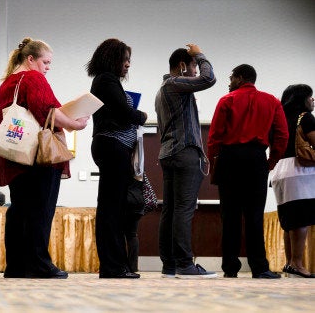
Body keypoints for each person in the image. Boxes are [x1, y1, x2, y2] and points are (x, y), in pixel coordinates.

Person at [0, 37, 88, 279]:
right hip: (39, 157)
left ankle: (16, 265)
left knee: (19, 210)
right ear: (30, 59)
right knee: (40, 210)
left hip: (15, 155)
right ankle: (39, 264)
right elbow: (49, 111)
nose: (48, 67)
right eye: (45, 62)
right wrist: (75, 125)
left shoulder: (6, 84)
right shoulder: (34, 78)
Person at [208, 65, 287, 279]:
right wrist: (270, 163)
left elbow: (214, 137)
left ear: (241, 77)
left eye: (232, 77)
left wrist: (215, 165)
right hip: (256, 159)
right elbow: (282, 136)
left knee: (230, 216)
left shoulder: (227, 100)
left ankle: (230, 268)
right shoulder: (272, 101)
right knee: (254, 215)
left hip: (230, 158)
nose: (229, 81)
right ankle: (259, 267)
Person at [155, 44, 217, 279]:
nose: (195, 72)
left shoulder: (162, 90)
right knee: (183, 208)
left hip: (169, 153)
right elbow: (209, 78)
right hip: (183, 152)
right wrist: (200, 54)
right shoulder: (174, 84)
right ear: (182, 66)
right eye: (192, 67)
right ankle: (184, 264)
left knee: (170, 210)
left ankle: (169, 265)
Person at [86, 38, 147, 278]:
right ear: (112, 59)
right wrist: (140, 115)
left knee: (113, 207)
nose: (128, 64)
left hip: (110, 146)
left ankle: (114, 265)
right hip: (112, 146)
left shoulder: (104, 81)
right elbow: (125, 112)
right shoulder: (106, 80)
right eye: (125, 59)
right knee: (112, 209)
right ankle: (113, 266)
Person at [269, 84, 315, 278]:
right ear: (301, 99)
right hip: (300, 170)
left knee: (288, 220)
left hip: (279, 171)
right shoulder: (306, 118)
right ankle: (298, 264)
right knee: (301, 219)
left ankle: (290, 263)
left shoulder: (279, 119)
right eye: (310, 97)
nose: (312, 100)